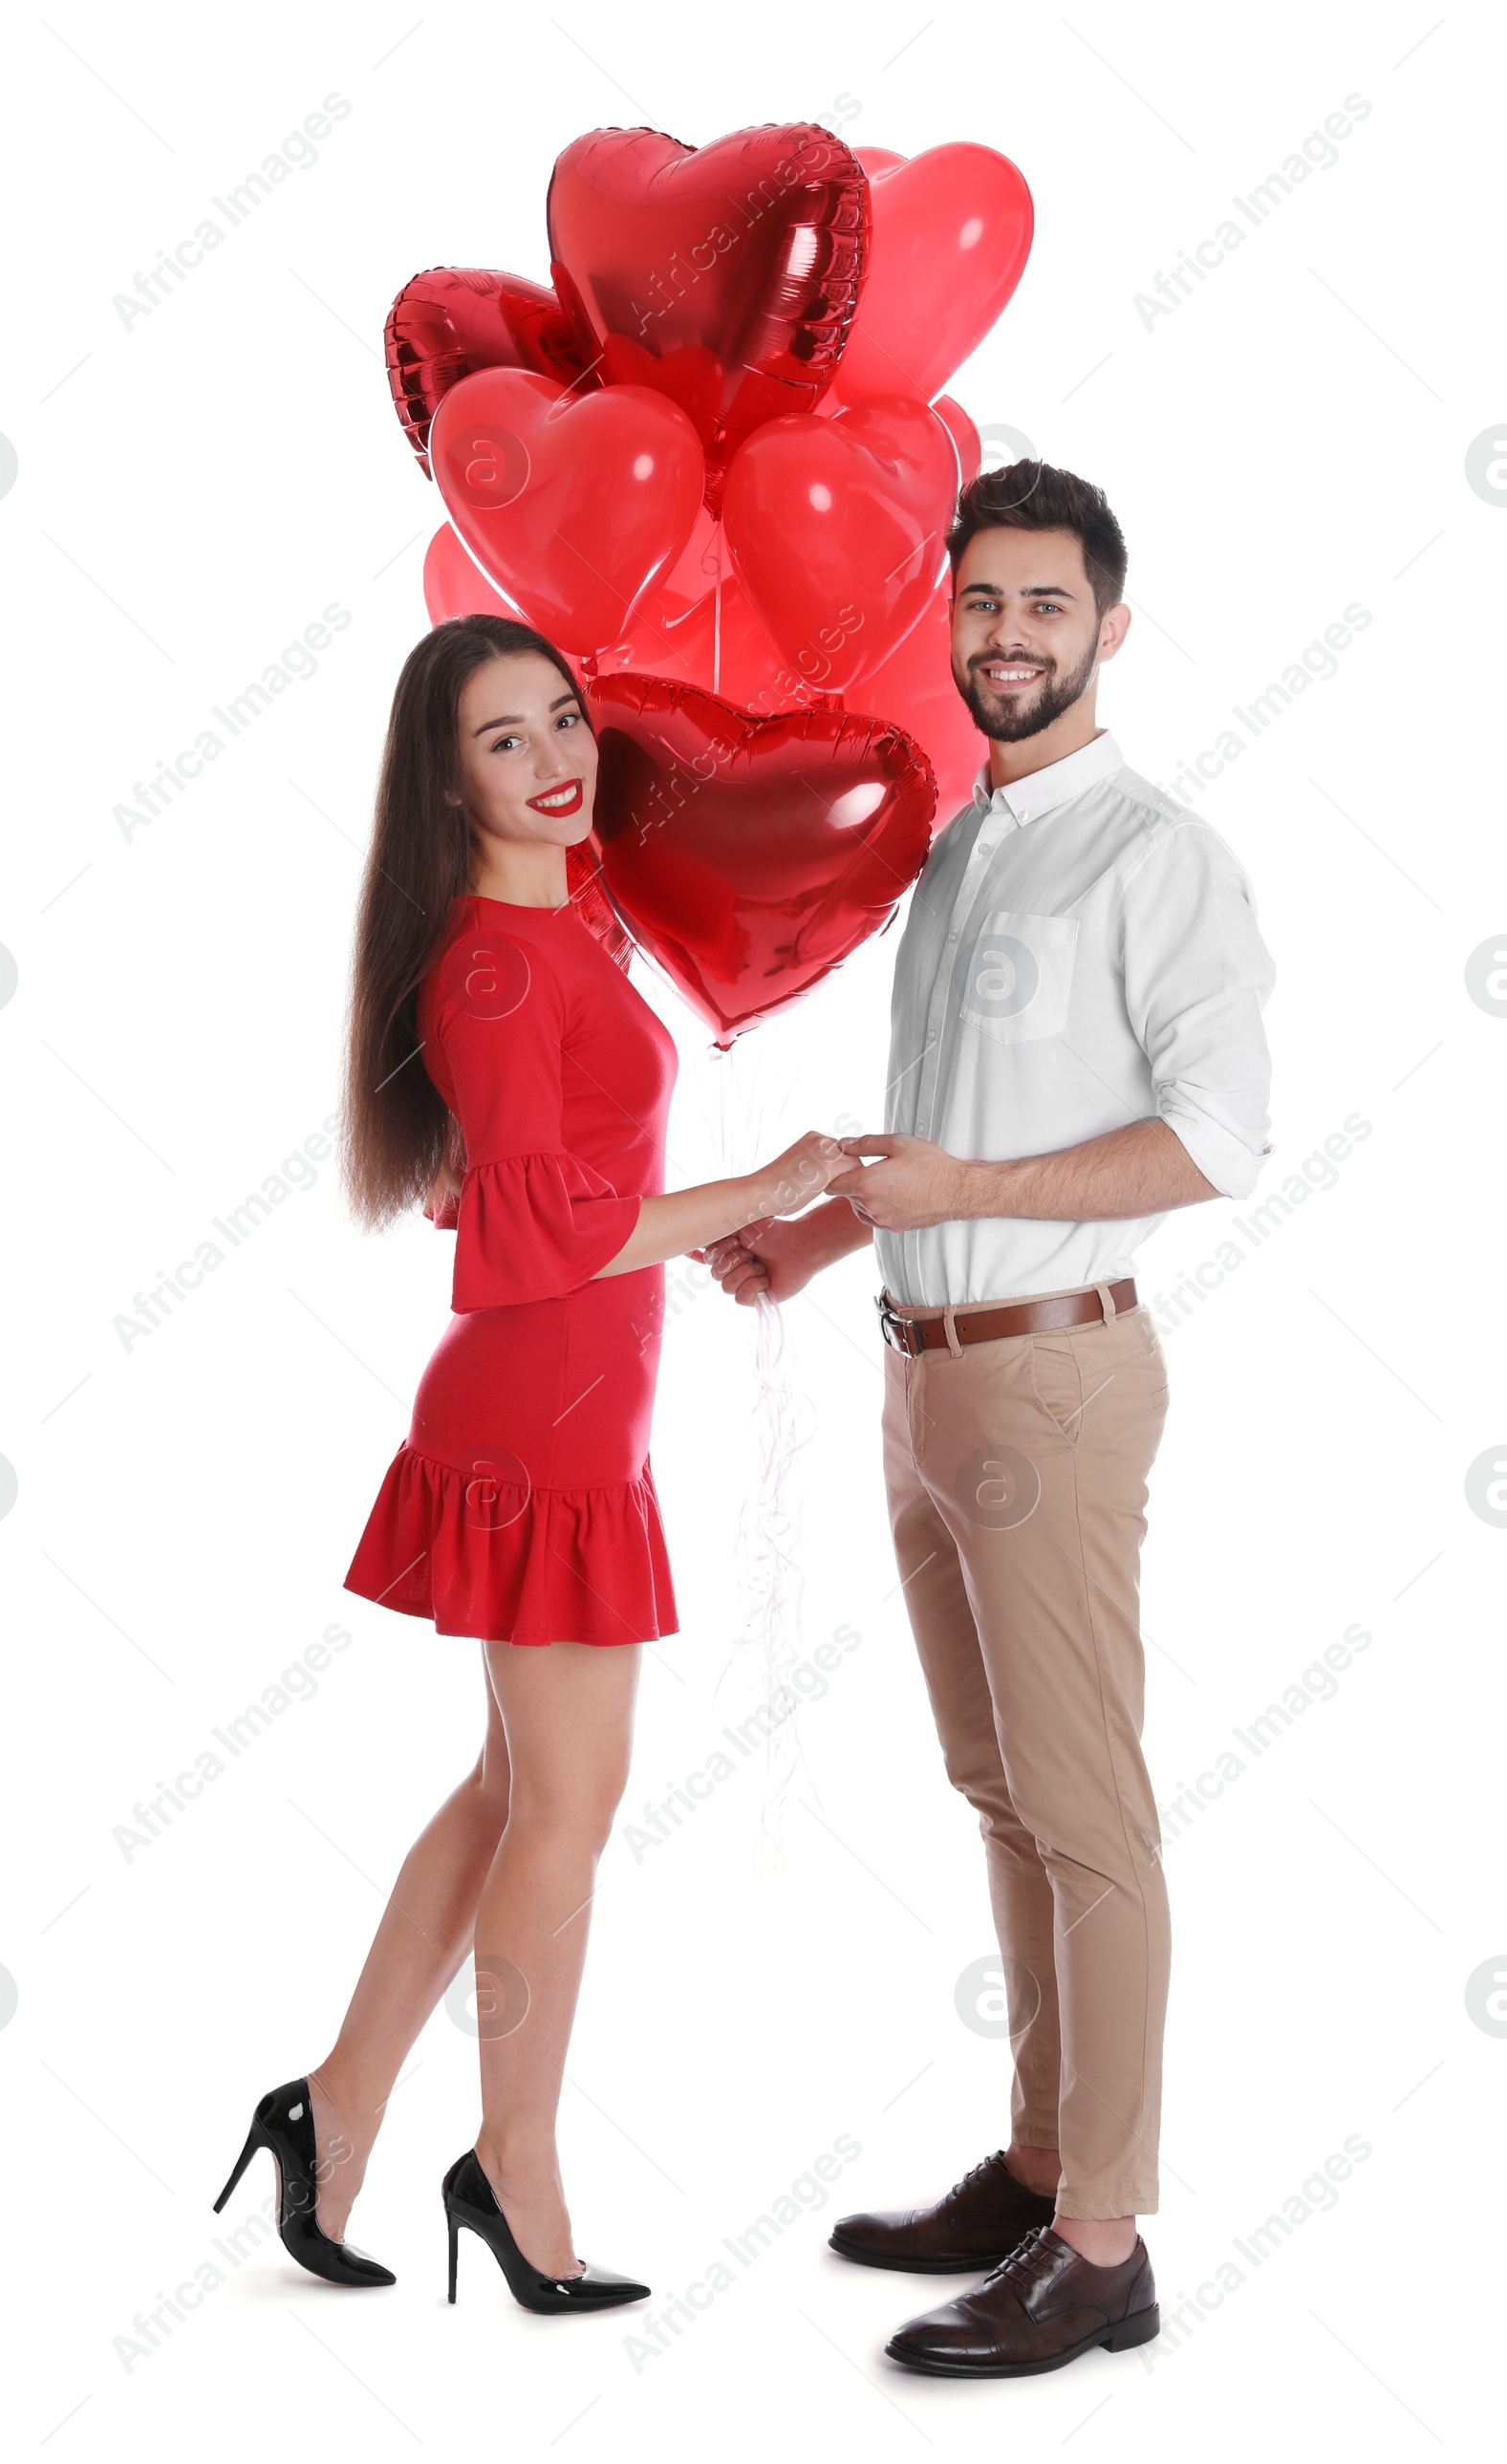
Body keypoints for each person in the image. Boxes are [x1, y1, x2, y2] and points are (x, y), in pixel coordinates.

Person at [704, 462, 1275, 2378]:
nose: (1007, 636)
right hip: (916, 1365)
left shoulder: (1154, 853)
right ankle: (1038, 2162)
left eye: (1044, 605)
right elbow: (932, 1126)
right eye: (980, 606)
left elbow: (1215, 1136)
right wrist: (809, 1240)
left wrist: (959, 1199)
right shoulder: (960, 844)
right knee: (998, 1785)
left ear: (1110, 625)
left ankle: (1100, 2241)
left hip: (1048, 1363)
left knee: (1087, 1809)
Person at [213, 615, 842, 2314]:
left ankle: (334, 2106)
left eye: (564, 718)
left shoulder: (572, 917)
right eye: (506, 739)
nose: (559, 756)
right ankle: (515, 2163)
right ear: (444, 776)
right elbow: (532, 1233)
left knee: (510, 1794)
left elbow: (541, 1173)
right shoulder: (490, 957)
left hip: (579, 1405)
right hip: (540, 1410)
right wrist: (765, 1184)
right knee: (565, 1805)